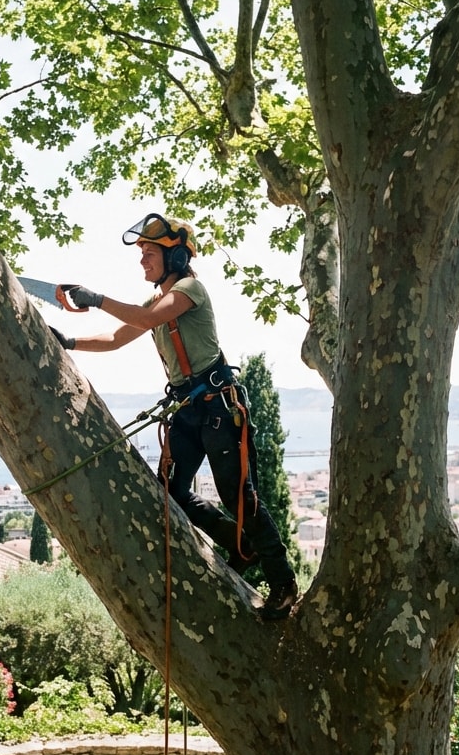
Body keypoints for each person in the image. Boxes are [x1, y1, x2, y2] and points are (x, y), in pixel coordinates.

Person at [51, 213, 299, 621]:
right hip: (188, 409)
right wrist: (70, 341)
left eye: (149, 253)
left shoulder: (189, 289)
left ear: (177, 257)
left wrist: (96, 299)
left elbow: (147, 321)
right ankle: (241, 546)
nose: (142, 260)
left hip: (218, 407)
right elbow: (116, 338)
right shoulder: (154, 303)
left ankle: (283, 583)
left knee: (239, 496)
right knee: (170, 490)